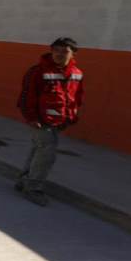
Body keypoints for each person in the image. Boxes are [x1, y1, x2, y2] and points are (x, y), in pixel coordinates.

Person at [15, 37, 84, 206]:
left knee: (38, 150)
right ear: (51, 51)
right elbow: (26, 96)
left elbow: (76, 98)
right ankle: (33, 188)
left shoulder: (77, 73)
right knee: (47, 153)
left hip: (59, 121)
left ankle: (24, 180)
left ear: (73, 54)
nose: (59, 54)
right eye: (56, 50)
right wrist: (31, 118)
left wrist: (70, 116)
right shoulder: (37, 71)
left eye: (64, 51)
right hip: (40, 120)